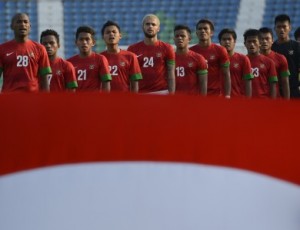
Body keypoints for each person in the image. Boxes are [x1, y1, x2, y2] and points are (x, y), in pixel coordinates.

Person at [0, 13, 51, 93]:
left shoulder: (40, 49)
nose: (22, 24)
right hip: (9, 97)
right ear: (12, 26)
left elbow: (45, 80)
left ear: (29, 26)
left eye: (25, 22)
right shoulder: (2, 49)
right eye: (19, 22)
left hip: (32, 98)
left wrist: (46, 101)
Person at [127, 14, 175, 94]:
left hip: (161, 92)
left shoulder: (167, 48)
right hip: (141, 93)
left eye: (153, 24)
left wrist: (172, 94)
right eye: (147, 24)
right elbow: (130, 76)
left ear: (158, 28)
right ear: (143, 27)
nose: (150, 26)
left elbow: (171, 73)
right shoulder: (132, 49)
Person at [190, 18, 231, 98]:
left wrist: (227, 95)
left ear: (211, 32)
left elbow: (226, 74)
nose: (202, 31)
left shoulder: (220, 50)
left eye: (205, 28)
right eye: (200, 29)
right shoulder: (191, 51)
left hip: (215, 95)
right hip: (196, 95)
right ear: (196, 33)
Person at [100, 20, 142, 93]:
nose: (111, 34)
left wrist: (134, 101)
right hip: (105, 101)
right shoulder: (99, 58)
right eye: (108, 32)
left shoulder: (130, 57)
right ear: (103, 37)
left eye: (114, 32)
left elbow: (135, 84)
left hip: (125, 101)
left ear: (120, 36)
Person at [67, 25, 111, 92]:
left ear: (93, 42)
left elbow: (106, 83)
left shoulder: (100, 59)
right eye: (81, 39)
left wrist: (104, 101)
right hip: (77, 101)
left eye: (87, 39)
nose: (84, 42)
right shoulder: (69, 62)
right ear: (76, 42)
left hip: (95, 101)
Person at [173, 24, 207, 95]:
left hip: (192, 102)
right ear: (174, 39)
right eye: (177, 36)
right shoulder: (168, 59)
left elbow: (203, 84)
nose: (179, 38)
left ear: (189, 39)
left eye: (182, 36)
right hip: (173, 101)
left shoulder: (198, 58)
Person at [218, 28, 253, 98]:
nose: (227, 42)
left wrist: (248, 102)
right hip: (218, 99)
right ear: (220, 42)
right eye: (224, 39)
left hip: (237, 99)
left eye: (229, 39)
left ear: (234, 41)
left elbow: (248, 82)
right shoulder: (215, 59)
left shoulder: (243, 59)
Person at [272, 14, 300, 98]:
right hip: (276, 90)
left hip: (294, 89)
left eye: (284, 26)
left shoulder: (297, 46)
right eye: (279, 27)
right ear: (275, 28)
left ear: (290, 28)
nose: (281, 29)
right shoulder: (271, 48)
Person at [244, 29, 278, 99]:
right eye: (249, 42)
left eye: (254, 41)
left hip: (264, 102)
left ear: (260, 43)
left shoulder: (269, 62)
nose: (252, 44)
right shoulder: (242, 61)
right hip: (245, 102)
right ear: (245, 44)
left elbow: (273, 85)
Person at [259, 27, 290, 99]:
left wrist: (287, 103)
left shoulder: (281, 58)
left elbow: (285, 83)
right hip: (256, 101)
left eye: (267, 39)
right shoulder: (248, 59)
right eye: (261, 38)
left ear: (272, 40)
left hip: (275, 100)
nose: (264, 41)